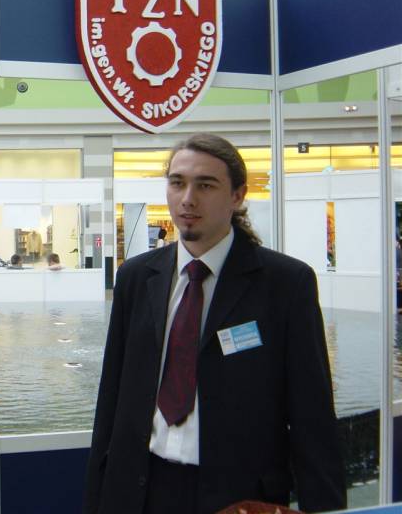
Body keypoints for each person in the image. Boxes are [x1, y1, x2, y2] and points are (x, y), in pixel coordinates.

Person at [83, 133, 345, 514]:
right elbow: (111, 399)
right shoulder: (136, 278)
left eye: (205, 185)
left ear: (237, 196)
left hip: (238, 497)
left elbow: (313, 418)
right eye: (177, 183)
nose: (188, 199)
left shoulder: (285, 285)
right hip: (140, 491)